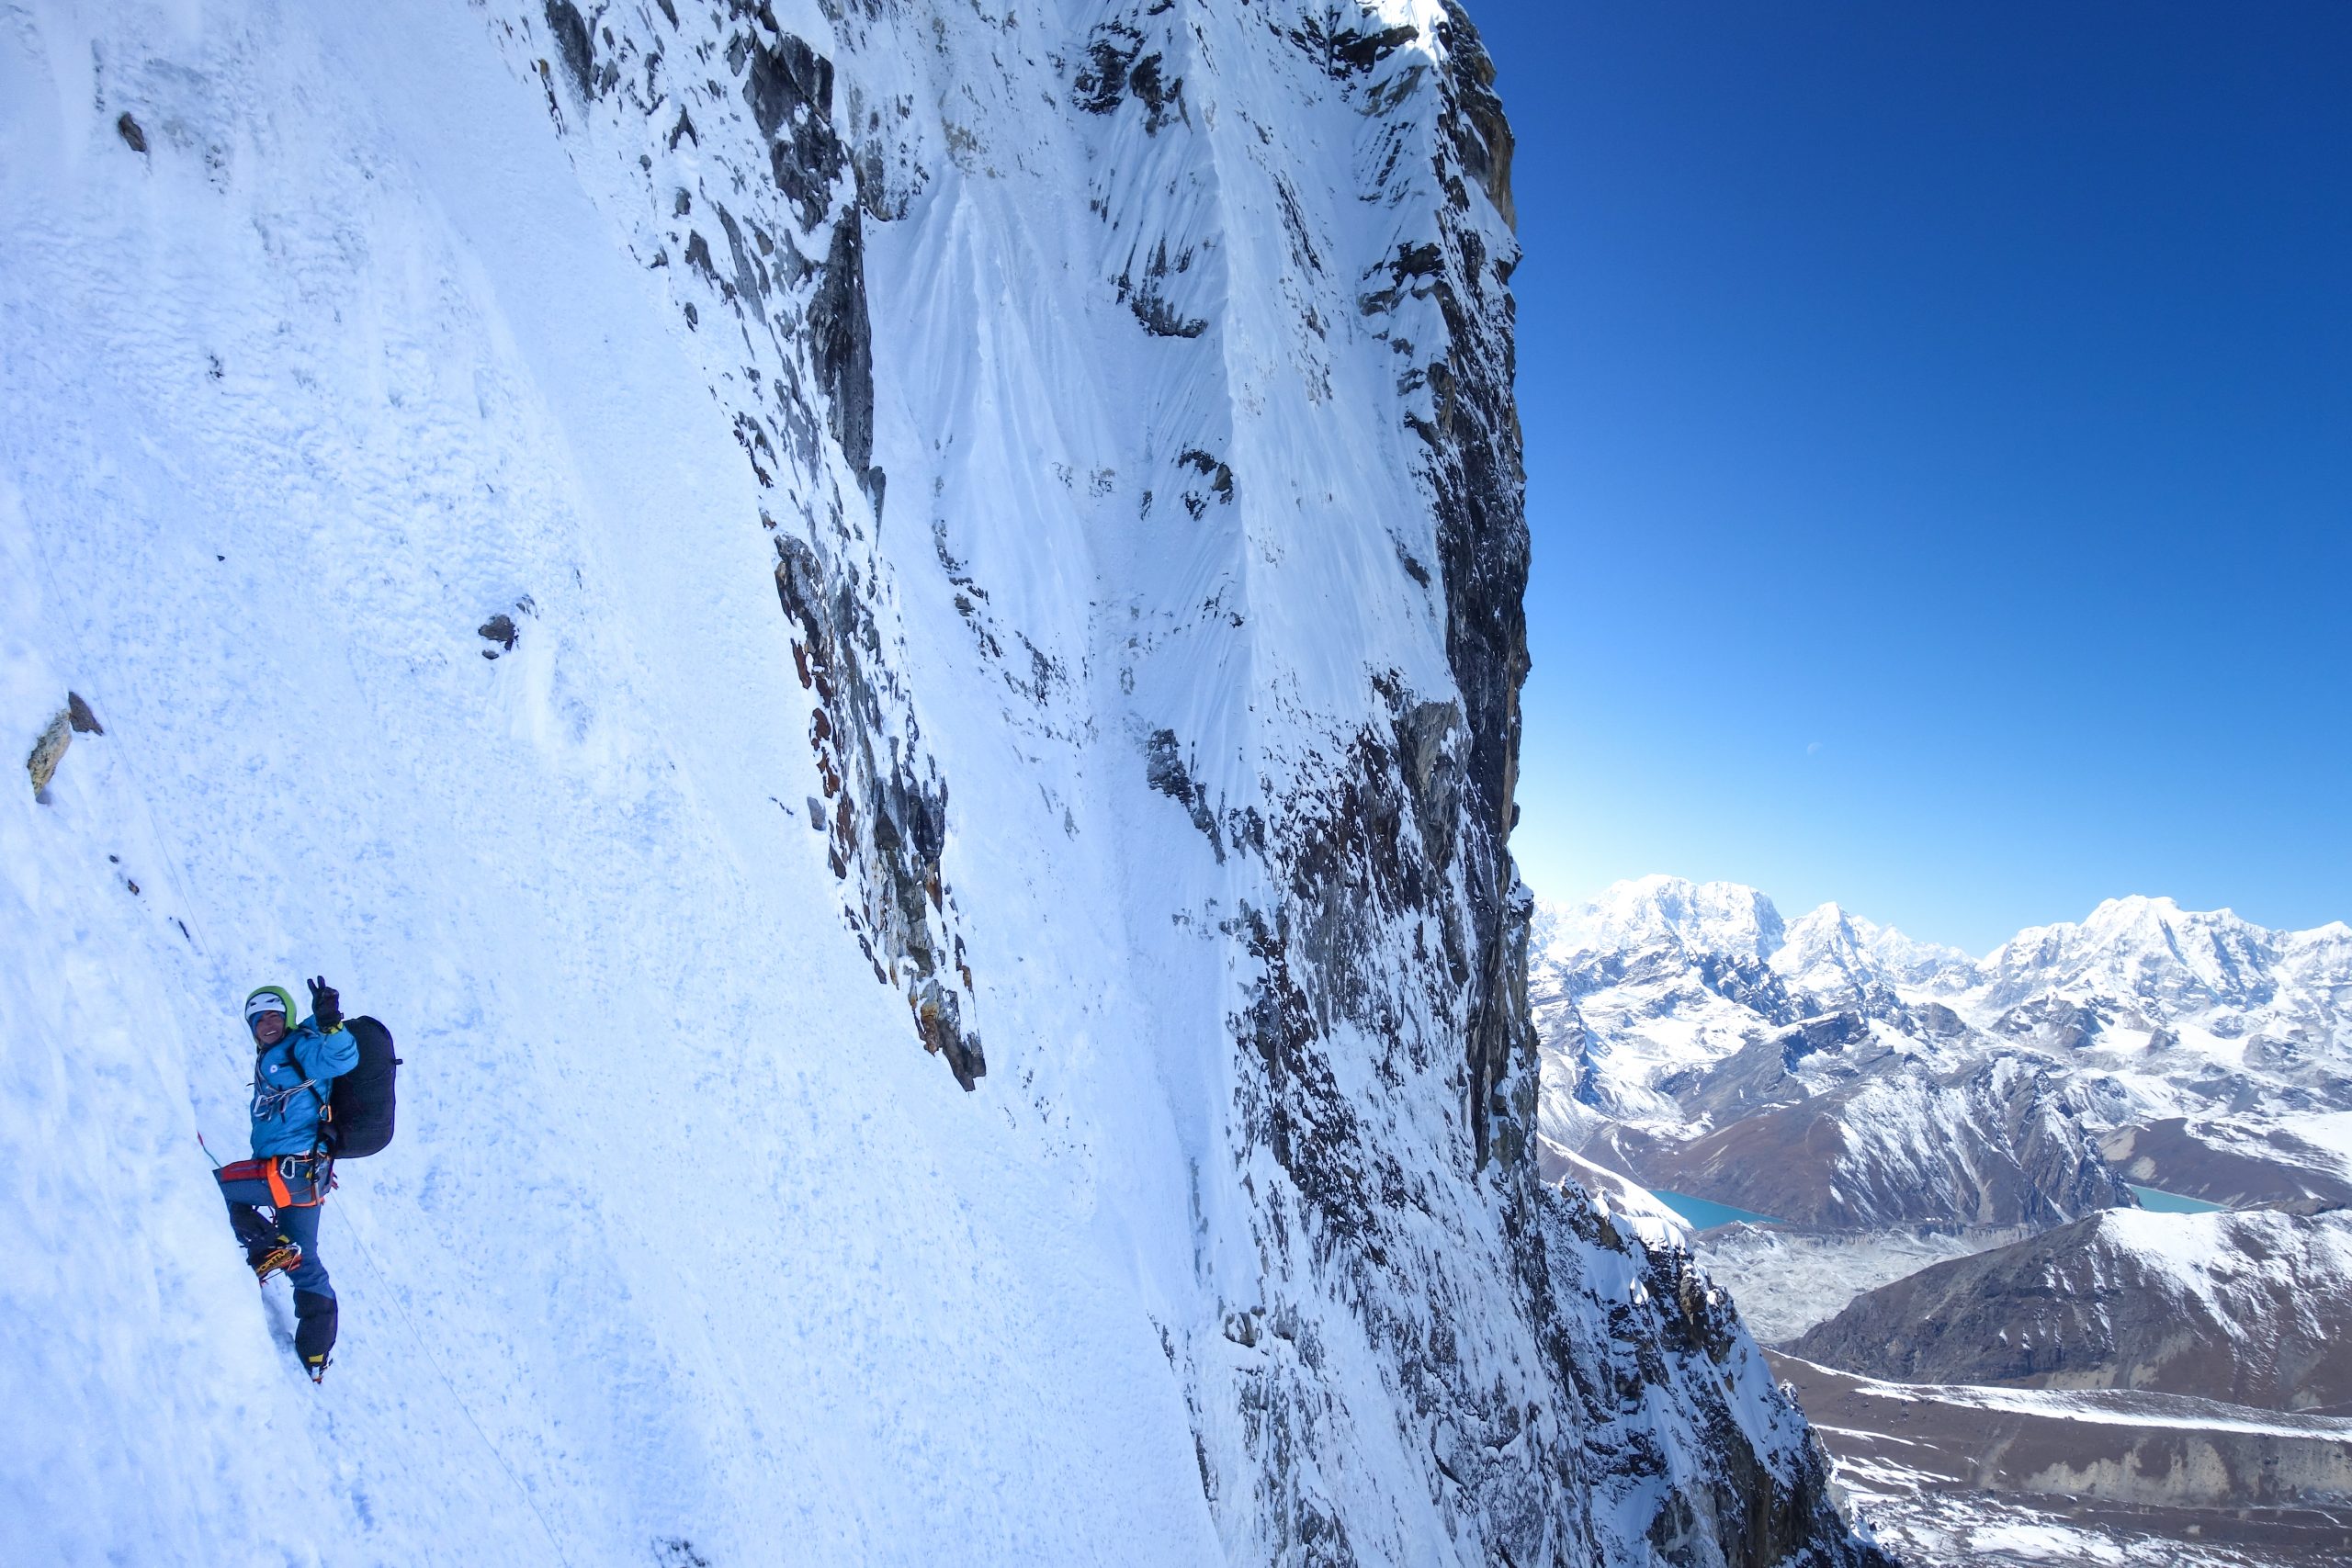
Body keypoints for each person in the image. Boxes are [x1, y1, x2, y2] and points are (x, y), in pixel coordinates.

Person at [216, 976, 357, 1382]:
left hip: (285, 1172)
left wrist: (332, 1025)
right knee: (306, 1262)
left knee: (207, 1187)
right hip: (309, 1176)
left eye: (275, 1015)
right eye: (259, 1020)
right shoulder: (276, 1054)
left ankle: (272, 1247)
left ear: (289, 1017)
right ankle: (316, 1354)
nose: (268, 1024)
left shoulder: (300, 1047)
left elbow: (342, 1059)